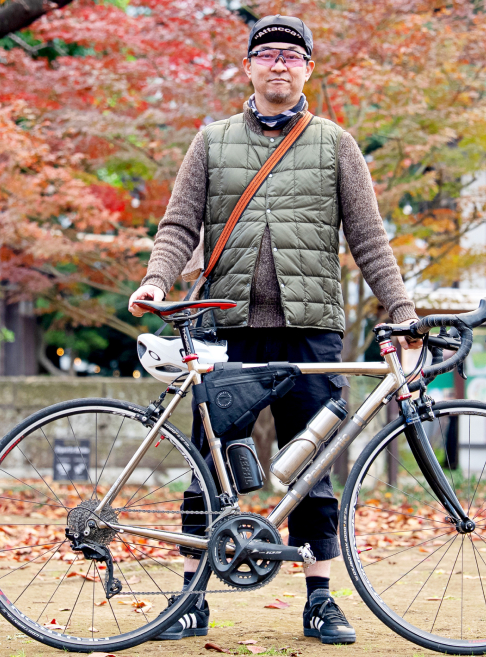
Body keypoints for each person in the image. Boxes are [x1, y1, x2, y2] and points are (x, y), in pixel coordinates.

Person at [127, 14, 420, 646]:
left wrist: (401, 310)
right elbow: (179, 225)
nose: (279, 63)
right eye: (267, 54)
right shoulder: (211, 141)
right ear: (249, 67)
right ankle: (189, 598)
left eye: (291, 55)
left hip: (310, 328)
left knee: (314, 466)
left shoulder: (336, 144)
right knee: (209, 464)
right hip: (223, 326)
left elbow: (369, 239)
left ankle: (320, 600)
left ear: (308, 68)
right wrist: (156, 280)